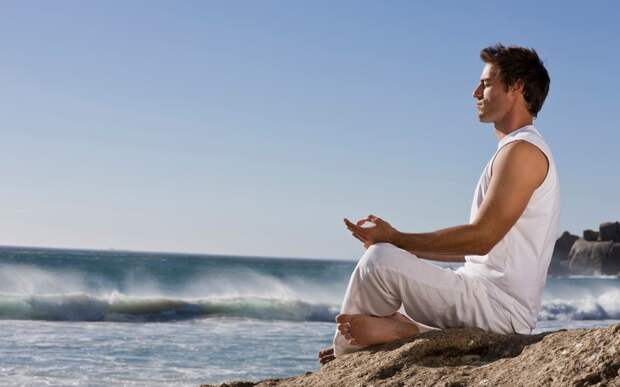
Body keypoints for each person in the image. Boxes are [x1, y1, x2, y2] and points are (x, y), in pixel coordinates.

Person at [319, 43, 558, 365]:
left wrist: (395, 240)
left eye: (486, 83)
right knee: (388, 259)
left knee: (379, 261)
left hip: (499, 308)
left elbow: (482, 238)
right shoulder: (515, 150)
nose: (475, 92)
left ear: (516, 87)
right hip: (482, 295)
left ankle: (350, 359)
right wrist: (403, 246)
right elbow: (479, 247)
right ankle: (400, 331)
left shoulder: (523, 152)